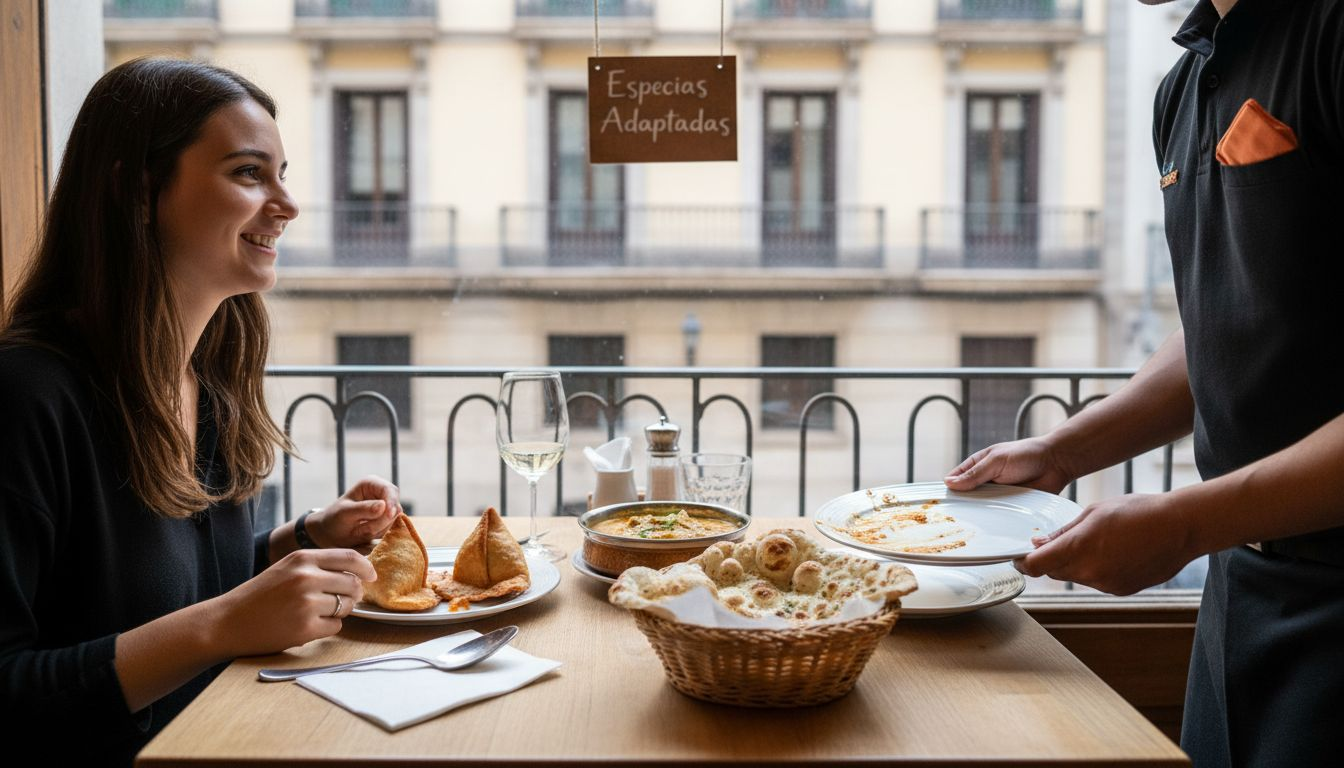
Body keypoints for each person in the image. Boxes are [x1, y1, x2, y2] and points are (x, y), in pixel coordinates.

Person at [945, 0, 1344, 765]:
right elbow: (1225, 322)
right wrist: (1063, 452)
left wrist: (1187, 523)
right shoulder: (1182, 84)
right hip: (1237, 591)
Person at [0, 58, 401, 765]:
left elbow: (156, 590)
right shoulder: (25, 396)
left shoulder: (207, 380)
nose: (286, 202)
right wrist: (222, 626)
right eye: (249, 174)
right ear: (137, 191)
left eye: (283, 173)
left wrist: (299, 541)